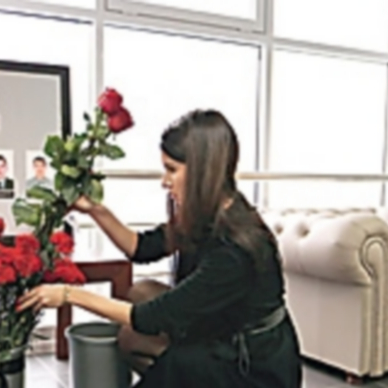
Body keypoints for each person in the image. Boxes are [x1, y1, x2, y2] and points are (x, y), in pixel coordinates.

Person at [17, 110, 303, 387]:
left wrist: (69, 294)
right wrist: (95, 210)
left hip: (251, 366)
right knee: (140, 295)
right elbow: (141, 248)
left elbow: (151, 317)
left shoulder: (235, 248)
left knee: (163, 347)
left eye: (172, 170)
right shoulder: (206, 212)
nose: (164, 181)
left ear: (203, 171)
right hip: (223, 329)